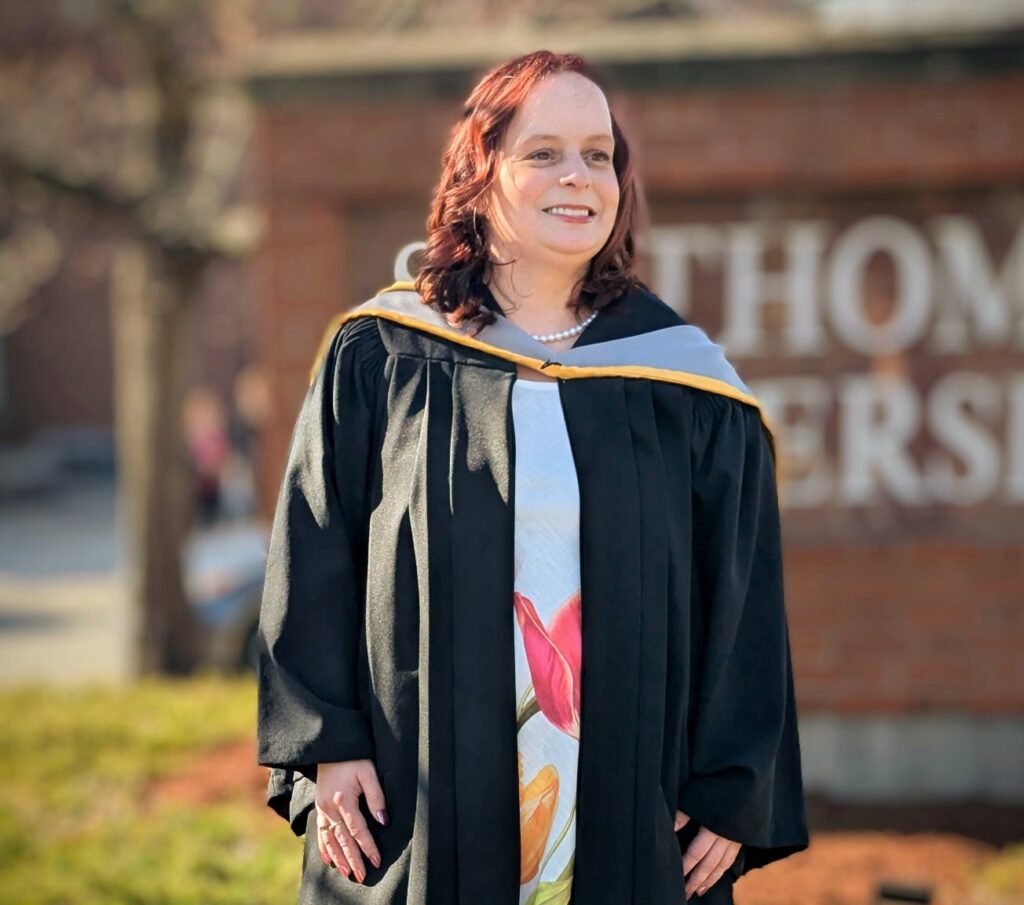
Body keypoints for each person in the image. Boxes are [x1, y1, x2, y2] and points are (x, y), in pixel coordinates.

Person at [256, 50, 808, 905]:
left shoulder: (687, 385)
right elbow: (314, 550)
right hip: (415, 800)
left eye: (599, 154)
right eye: (543, 152)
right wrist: (328, 744)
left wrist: (734, 791)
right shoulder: (385, 354)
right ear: (481, 176)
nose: (578, 175)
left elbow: (739, 601)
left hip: (629, 809)